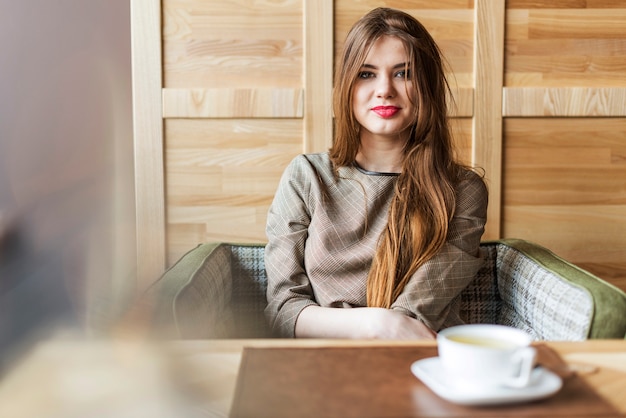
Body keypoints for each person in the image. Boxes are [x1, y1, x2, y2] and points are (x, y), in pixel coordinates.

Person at [264, 7, 488, 339]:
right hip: (317, 363)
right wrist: (377, 323)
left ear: (426, 85)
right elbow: (283, 310)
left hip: (417, 358)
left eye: (404, 73)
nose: (384, 89)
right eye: (367, 74)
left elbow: (413, 317)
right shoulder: (306, 176)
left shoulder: (461, 189)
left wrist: (388, 326)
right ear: (347, 87)